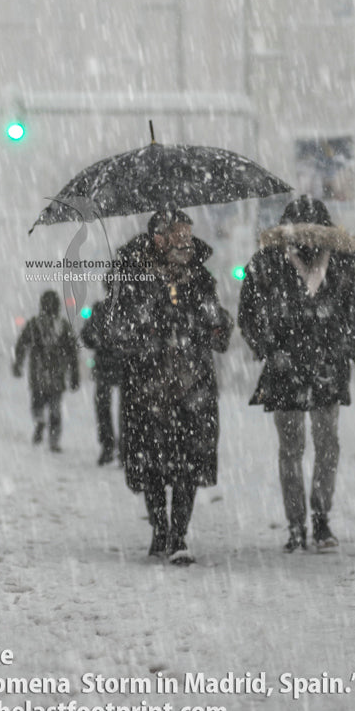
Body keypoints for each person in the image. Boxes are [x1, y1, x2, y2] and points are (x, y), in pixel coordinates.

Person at [238, 194, 355, 552]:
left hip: (327, 368)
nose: (308, 240)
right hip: (285, 370)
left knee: (327, 446)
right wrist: (268, 349)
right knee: (291, 449)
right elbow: (247, 314)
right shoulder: (266, 264)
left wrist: (344, 351)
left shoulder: (339, 264)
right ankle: (297, 524)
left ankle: (321, 519)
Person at [105, 208, 232, 565]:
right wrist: (150, 328)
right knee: (153, 464)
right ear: (158, 237)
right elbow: (114, 329)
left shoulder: (200, 278)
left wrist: (215, 324)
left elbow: (216, 325)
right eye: (177, 233)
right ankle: (160, 530)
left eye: (187, 233)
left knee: (189, 462)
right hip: (148, 389)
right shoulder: (131, 276)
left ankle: (179, 535)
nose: (184, 240)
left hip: (193, 387)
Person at [12, 291, 80, 452]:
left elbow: (21, 345)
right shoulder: (63, 326)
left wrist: (18, 364)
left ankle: (39, 420)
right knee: (55, 407)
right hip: (57, 373)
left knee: (37, 402)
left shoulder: (34, 324)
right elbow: (72, 353)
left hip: (37, 372)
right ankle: (54, 440)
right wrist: (74, 374)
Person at [80, 297, 123, 465]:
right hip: (124, 365)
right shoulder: (131, 307)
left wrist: (99, 342)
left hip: (106, 365)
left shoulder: (99, 309)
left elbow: (87, 335)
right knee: (125, 410)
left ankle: (109, 446)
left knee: (104, 408)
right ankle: (123, 449)